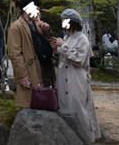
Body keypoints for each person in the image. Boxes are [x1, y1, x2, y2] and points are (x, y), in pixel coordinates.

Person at [50, 9, 101, 143]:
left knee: (79, 106)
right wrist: (55, 50)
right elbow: (61, 59)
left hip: (77, 77)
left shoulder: (82, 39)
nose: (62, 23)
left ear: (71, 22)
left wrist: (64, 46)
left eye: (64, 20)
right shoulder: (67, 37)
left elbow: (80, 60)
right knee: (64, 105)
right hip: (63, 77)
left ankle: (85, 138)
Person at [7, 0, 53, 108]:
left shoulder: (37, 23)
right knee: (31, 101)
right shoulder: (16, 27)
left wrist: (46, 30)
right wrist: (22, 75)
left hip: (43, 66)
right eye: (36, 8)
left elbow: (46, 41)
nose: (38, 11)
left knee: (43, 98)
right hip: (29, 69)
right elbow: (15, 53)